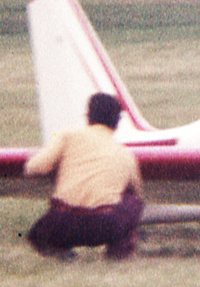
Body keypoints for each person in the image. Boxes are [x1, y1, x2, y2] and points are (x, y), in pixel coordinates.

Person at [24, 92, 144, 260]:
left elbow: (34, 167)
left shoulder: (68, 136)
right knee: (134, 202)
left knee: (39, 234)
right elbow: (136, 192)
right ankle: (119, 252)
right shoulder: (126, 155)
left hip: (61, 223)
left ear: (88, 117)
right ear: (117, 122)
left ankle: (59, 252)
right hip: (103, 227)